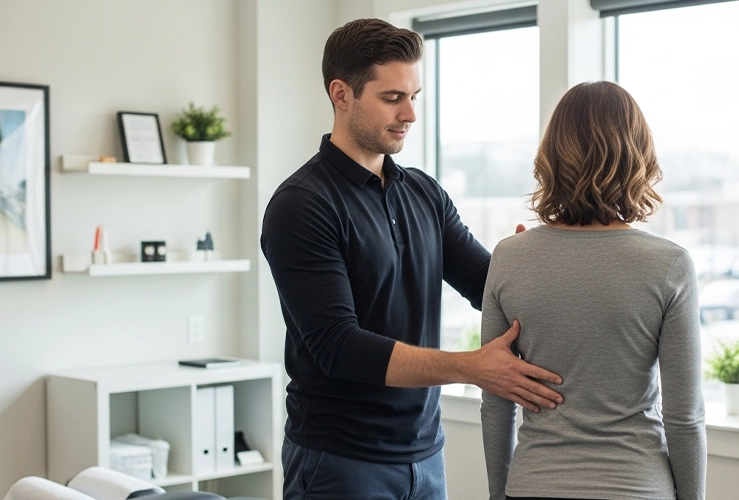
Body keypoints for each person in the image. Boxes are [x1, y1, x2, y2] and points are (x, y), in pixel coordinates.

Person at [260, 18, 563, 500]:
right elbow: (338, 346)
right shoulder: (302, 204)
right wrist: (472, 366)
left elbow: (486, 285)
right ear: (342, 95)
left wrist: (531, 262)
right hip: (340, 461)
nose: (410, 115)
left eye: (414, 97)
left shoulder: (423, 193)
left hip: (425, 456)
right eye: (392, 98)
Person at [480, 81, 707, 500]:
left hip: (534, 485)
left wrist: (500, 494)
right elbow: (685, 417)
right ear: (638, 155)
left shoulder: (509, 257)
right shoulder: (669, 265)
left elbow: (496, 403)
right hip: (636, 486)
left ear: (551, 156)